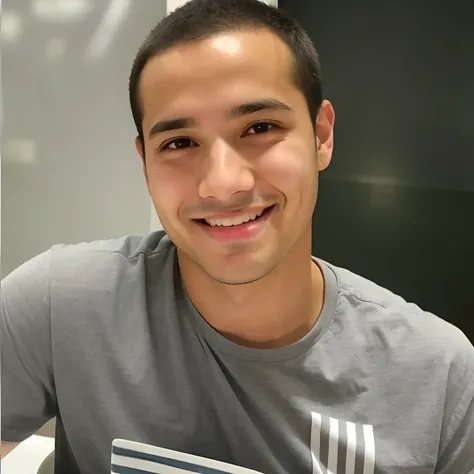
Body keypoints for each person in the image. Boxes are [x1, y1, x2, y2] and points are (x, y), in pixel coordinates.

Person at [1, 0, 473, 473]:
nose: (223, 184)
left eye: (260, 127)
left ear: (321, 135)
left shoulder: (441, 379)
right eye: (180, 143)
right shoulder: (60, 306)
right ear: (145, 162)